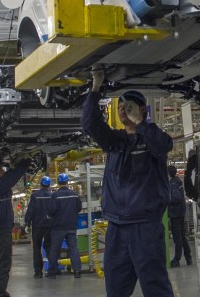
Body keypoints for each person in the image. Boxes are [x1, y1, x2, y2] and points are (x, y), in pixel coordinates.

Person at [81, 71, 175, 297]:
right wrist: (95, 89)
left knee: (156, 288)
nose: (124, 109)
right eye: (122, 105)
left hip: (145, 227)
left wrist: (140, 123)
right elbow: (89, 123)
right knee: (115, 290)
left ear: (142, 110)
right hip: (116, 228)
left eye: (130, 105)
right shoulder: (115, 142)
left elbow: (164, 145)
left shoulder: (151, 139)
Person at [0, 157, 31, 297]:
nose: (3, 171)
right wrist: (26, 161)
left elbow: (8, 177)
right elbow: (13, 176)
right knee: (2, 264)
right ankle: (0, 293)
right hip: (0, 231)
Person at [48, 174, 83, 279]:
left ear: (58, 183)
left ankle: (52, 272)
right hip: (71, 226)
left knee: (55, 249)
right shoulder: (74, 194)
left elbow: (51, 211)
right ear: (67, 182)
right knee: (73, 249)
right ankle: (77, 271)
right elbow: (79, 208)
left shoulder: (55, 195)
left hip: (58, 227)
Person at [24, 176, 54, 278]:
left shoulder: (35, 196)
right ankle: (52, 270)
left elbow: (31, 210)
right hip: (49, 226)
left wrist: (27, 223)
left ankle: (38, 272)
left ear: (40, 184)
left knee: (36, 249)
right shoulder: (52, 196)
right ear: (49, 185)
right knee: (49, 247)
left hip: (37, 226)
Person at [166, 166, 192, 268]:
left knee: (178, 238)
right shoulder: (178, 181)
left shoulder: (172, 184)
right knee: (182, 236)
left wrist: (166, 199)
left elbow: (176, 198)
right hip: (180, 213)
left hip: (175, 214)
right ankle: (188, 256)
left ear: (168, 174)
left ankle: (176, 259)